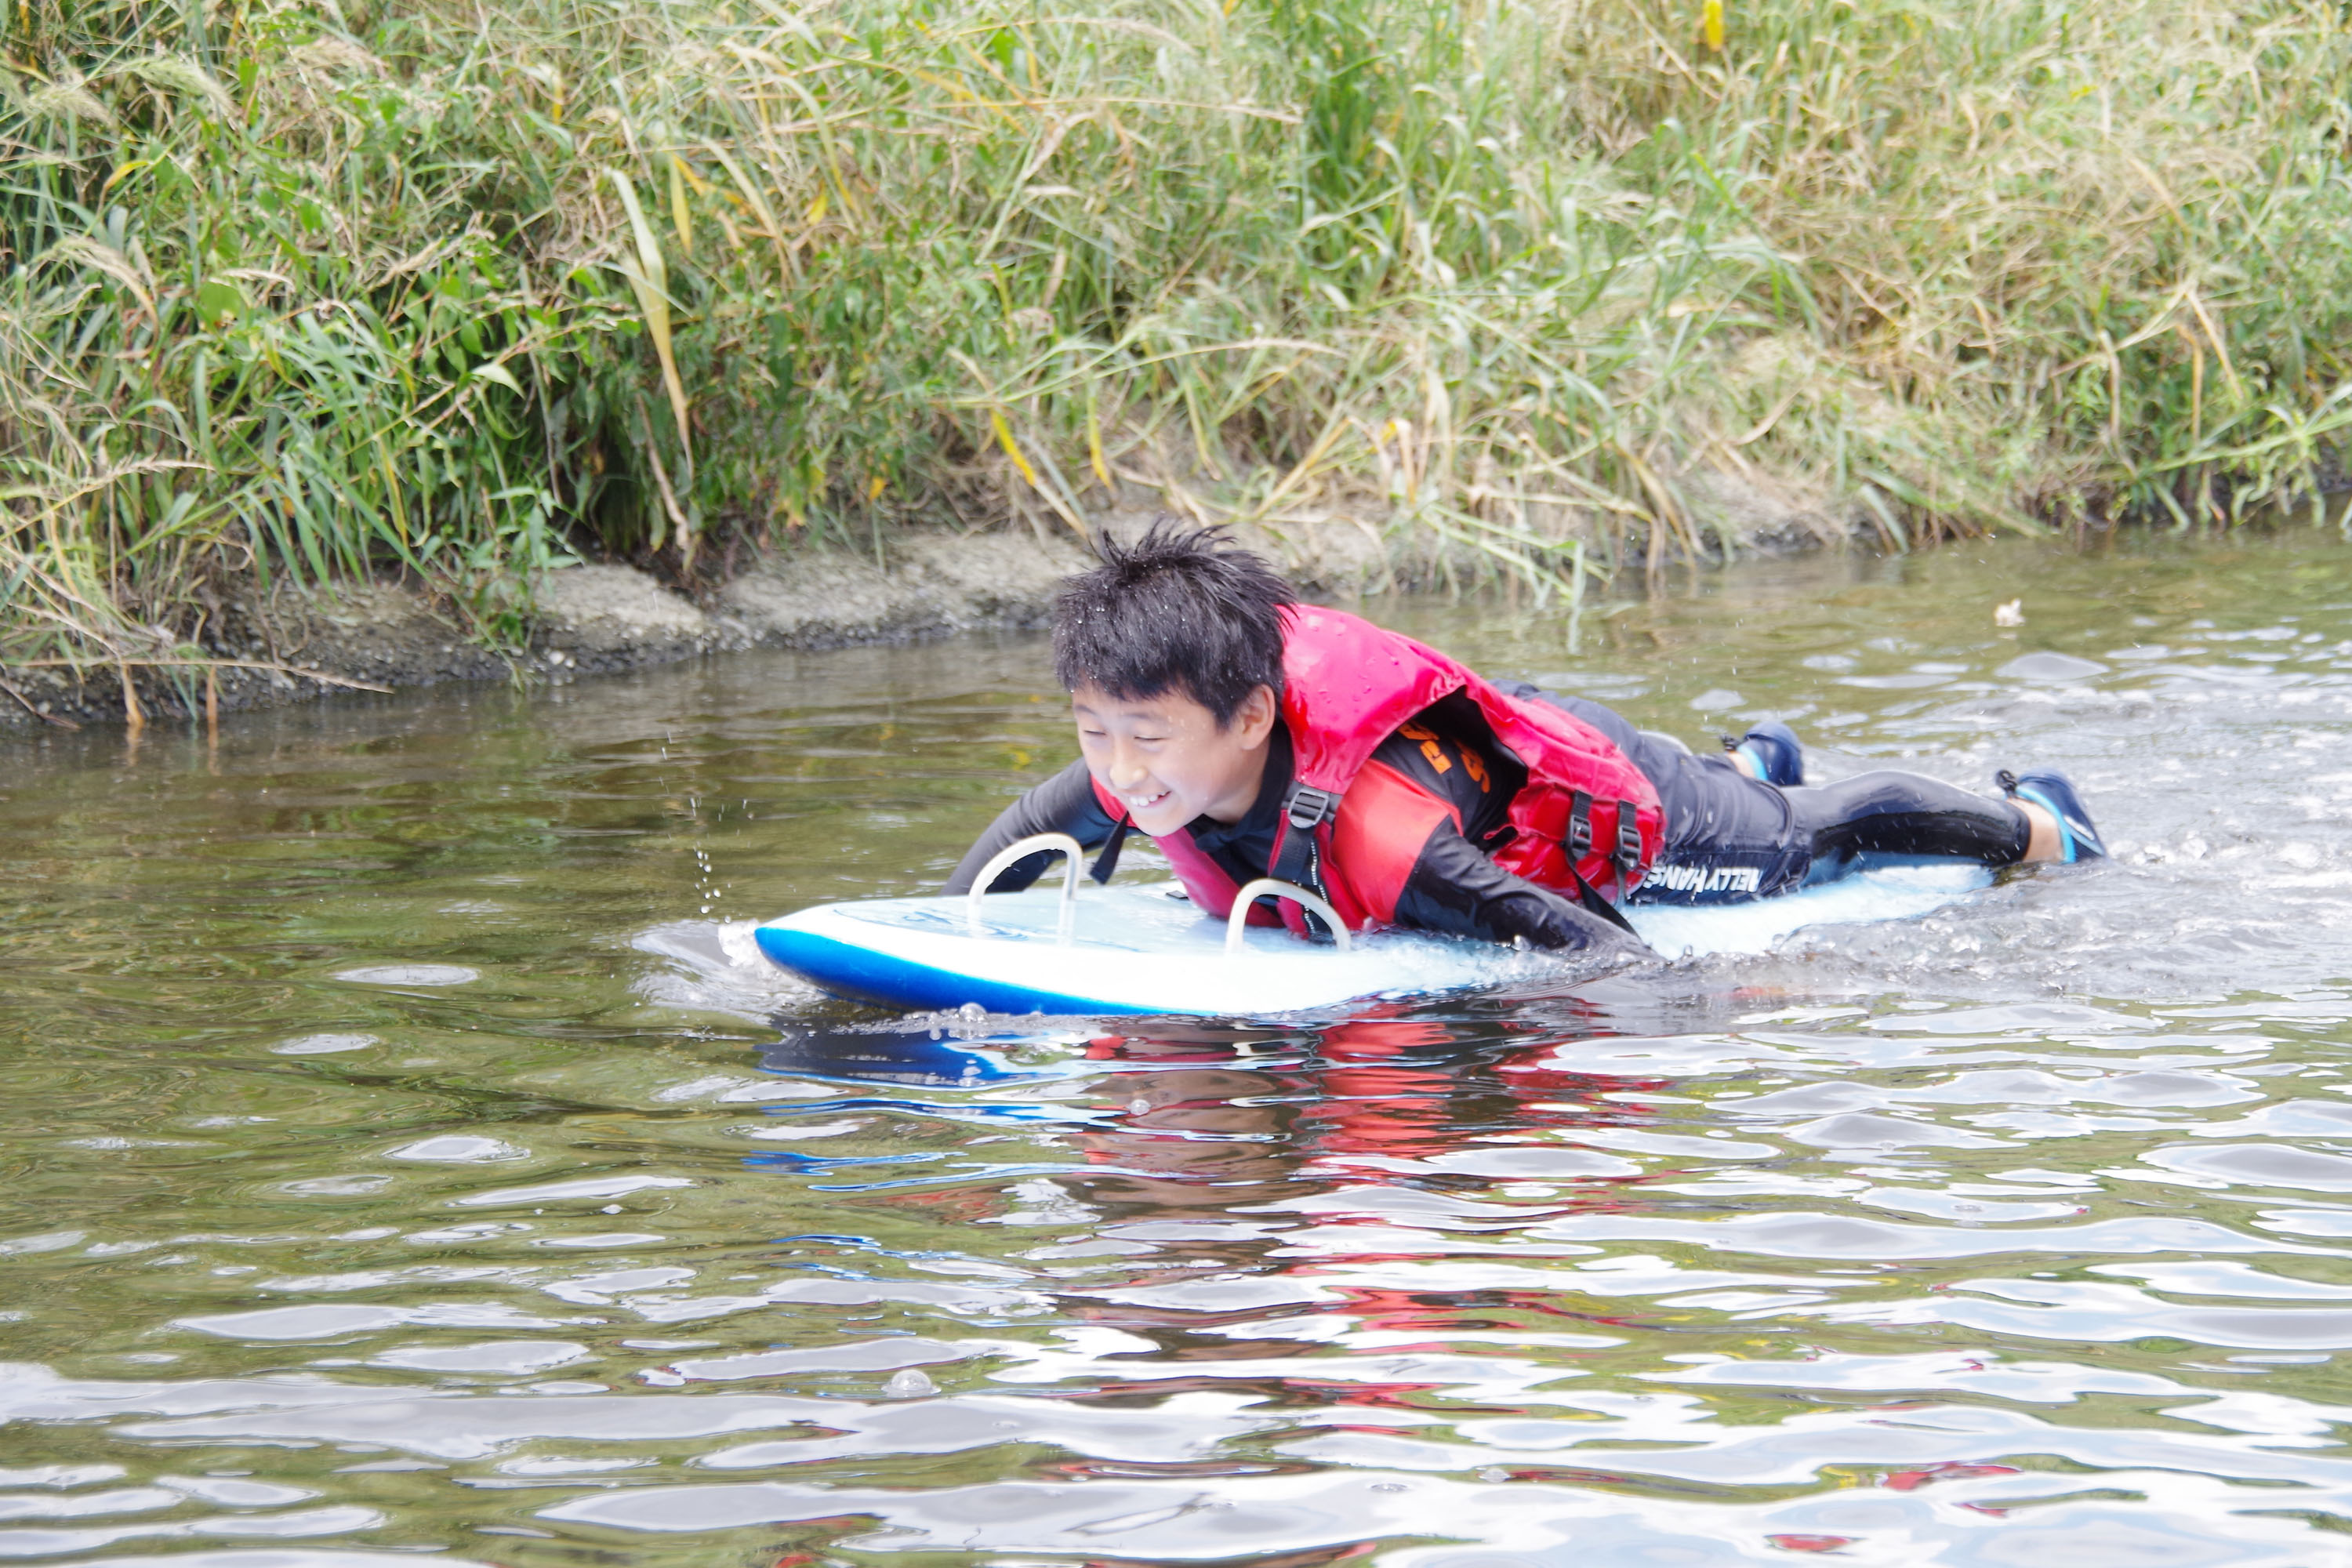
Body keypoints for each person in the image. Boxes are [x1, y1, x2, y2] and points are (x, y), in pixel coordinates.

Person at [945, 520, 2105, 960]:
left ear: (1250, 717)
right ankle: (1753, 759)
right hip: (1501, 754)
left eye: (1141, 737)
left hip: (1629, 815)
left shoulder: (1388, 843)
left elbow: (1598, 952)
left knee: (1815, 839)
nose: (1116, 771)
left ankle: (2042, 821)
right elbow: (1003, 863)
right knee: (1757, 799)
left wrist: (1736, 1005)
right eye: (1094, 734)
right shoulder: (1146, 768)